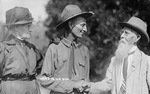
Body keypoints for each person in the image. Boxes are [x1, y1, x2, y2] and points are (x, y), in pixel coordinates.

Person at [81, 16, 150, 94]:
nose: (122, 36)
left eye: (126, 33)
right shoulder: (115, 60)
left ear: (137, 38)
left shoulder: (146, 61)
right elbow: (107, 84)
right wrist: (90, 87)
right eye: (122, 32)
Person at [39, 4, 93, 94]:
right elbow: (44, 80)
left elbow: (86, 79)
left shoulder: (84, 50)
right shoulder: (54, 48)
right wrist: (71, 85)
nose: (85, 29)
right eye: (82, 25)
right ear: (71, 25)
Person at [0, 7, 43, 94]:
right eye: (27, 26)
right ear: (16, 27)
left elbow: (41, 66)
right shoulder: (3, 47)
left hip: (33, 89)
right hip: (11, 90)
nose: (31, 29)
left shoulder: (32, 48)